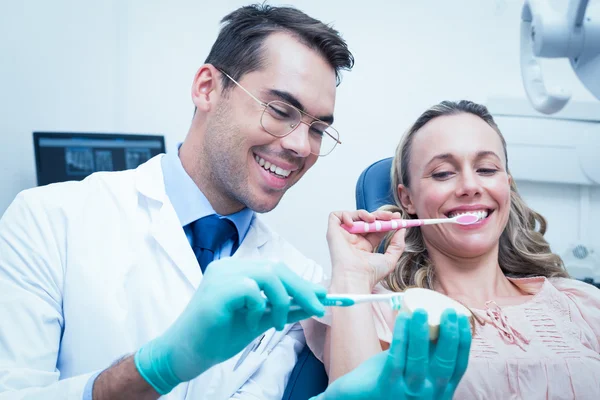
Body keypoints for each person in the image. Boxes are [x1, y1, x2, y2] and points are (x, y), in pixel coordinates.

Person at [0, 4, 354, 399]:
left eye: (318, 129)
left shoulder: (297, 280)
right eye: (280, 110)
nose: (300, 146)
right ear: (207, 88)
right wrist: (156, 367)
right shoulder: (47, 220)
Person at [304, 100, 600, 399]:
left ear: (506, 186)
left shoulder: (584, 305)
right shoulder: (377, 310)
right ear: (407, 199)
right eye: (443, 173)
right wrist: (352, 274)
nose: (470, 185)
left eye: (486, 169)